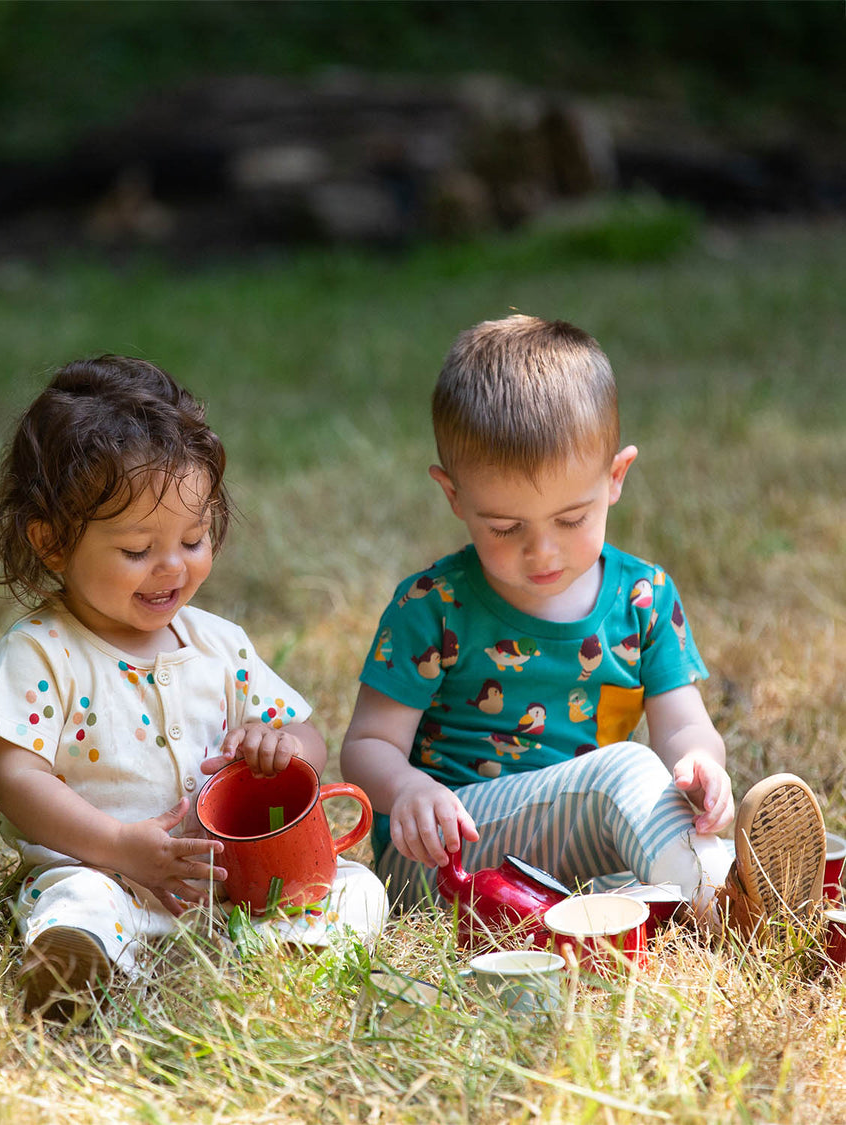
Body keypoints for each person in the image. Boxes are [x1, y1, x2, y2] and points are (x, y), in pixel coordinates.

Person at [340, 314, 825, 937]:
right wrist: (406, 790)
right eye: (505, 528)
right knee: (622, 774)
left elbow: (682, 724)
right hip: (444, 857)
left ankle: (722, 896)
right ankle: (730, 904)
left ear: (615, 479)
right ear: (453, 496)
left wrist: (700, 764)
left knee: (641, 837)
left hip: (572, 855)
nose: (542, 553)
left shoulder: (643, 598)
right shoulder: (432, 605)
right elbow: (367, 746)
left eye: (570, 519)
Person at [0, 355, 387, 1017]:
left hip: (235, 891)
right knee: (75, 902)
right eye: (137, 550)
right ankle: (82, 971)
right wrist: (116, 845)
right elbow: (12, 776)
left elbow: (306, 734)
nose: (171, 567)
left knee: (358, 885)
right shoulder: (41, 652)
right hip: (108, 875)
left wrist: (283, 746)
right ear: (51, 543)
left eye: (193, 538)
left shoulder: (216, 644)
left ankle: (278, 958)